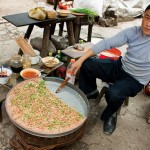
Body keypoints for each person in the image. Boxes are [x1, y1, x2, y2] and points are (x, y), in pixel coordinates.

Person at [70, 5, 150, 135]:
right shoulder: (134, 31)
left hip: (135, 80)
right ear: (143, 16)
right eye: (147, 17)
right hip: (120, 66)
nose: (148, 24)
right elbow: (107, 43)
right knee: (87, 63)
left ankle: (111, 114)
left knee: (113, 94)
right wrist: (80, 60)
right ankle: (90, 91)